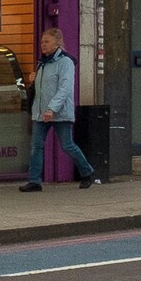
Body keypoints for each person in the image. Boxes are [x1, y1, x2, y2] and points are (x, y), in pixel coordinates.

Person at [22, 27, 100, 192]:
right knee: (36, 146)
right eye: (42, 41)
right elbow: (42, 89)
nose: (43, 44)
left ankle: (87, 172)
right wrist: (33, 81)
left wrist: (52, 108)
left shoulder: (65, 62)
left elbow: (65, 88)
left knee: (67, 145)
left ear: (57, 43)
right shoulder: (42, 62)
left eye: (47, 41)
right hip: (40, 112)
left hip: (59, 112)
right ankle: (34, 181)